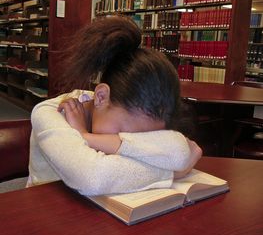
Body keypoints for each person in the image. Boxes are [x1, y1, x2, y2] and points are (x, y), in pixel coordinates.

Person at [27, 15, 202, 196]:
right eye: (121, 134)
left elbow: (182, 151)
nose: (134, 142)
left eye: (146, 139)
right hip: (47, 212)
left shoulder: (135, 117)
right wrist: (170, 172)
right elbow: (93, 177)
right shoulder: (50, 113)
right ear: (101, 96)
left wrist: (84, 136)